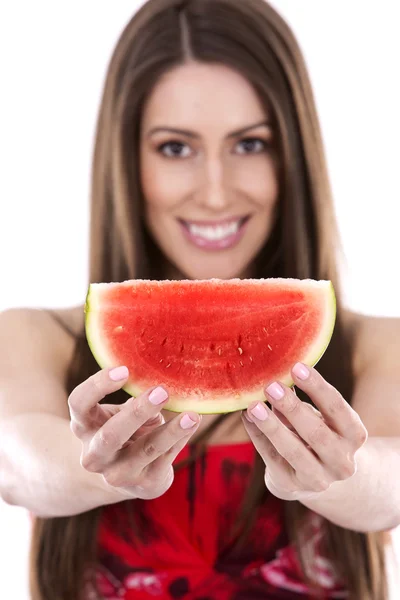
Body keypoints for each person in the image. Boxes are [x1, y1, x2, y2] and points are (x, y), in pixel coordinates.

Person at [0, 0, 399, 598]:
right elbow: (17, 459)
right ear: (126, 159)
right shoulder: (35, 339)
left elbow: (390, 485)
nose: (215, 193)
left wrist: (342, 475)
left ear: (293, 156)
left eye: (250, 144)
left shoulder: (376, 349)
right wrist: (96, 465)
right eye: (175, 149)